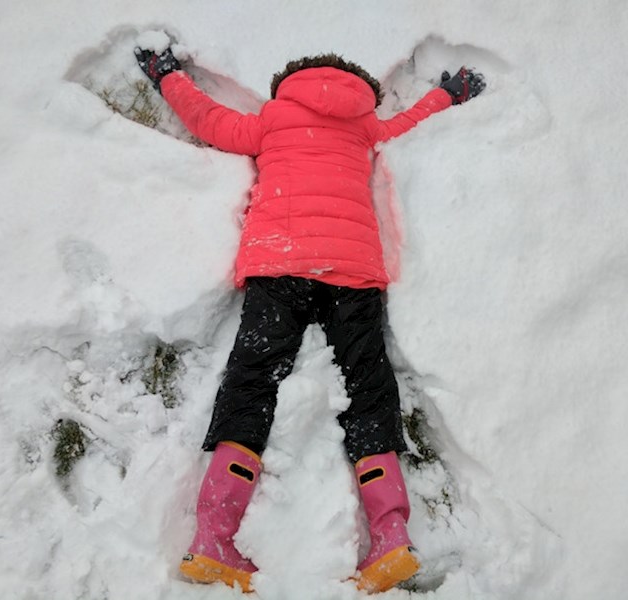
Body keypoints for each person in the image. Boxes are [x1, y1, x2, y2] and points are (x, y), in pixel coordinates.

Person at [135, 46, 485, 594]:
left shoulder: (273, 119)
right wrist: (448, 94)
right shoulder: (366, 126)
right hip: (351, 272)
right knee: (368, 384)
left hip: (279, 265)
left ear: (287, 85)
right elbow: (412, 124)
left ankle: (214, 537)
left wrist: (167, 76)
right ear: (358, 88)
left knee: (253, 380)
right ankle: (390, 537)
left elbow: (208, 119)